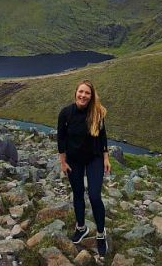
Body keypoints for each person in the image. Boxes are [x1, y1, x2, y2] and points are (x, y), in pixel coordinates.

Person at [57, 79, 111, 257]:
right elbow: (61, 138)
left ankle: (101, 234)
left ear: (91, 96)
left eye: (87, 93)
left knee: (95, 196)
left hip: (94, 158)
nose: (83, 95)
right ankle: (81, 227)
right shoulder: (65, 113)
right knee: (78, 193)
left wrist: (106, 157)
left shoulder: (97, 113)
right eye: (81, 92)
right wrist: (63, 162)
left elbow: (102, 136)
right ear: (75, 93)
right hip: (74, 160)